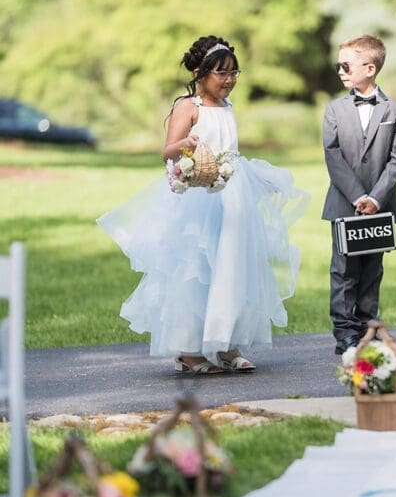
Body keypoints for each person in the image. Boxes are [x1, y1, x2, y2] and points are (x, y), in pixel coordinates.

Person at [98, 35, 309, 375]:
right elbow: (168, 150)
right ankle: (190, 349)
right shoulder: (188, 106)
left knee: (234, 264)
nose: (229, 80)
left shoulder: (227, 108)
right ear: (200, 73)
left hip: (234, 191)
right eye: (221, 73)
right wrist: (187, 144)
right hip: (200, 197)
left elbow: (231, 149)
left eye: (234, 72)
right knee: (198, 269)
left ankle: (226, 343)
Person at [322, 34, 396, 355]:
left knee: (372, 269)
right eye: (339, 65)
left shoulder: (395, 111)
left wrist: (376, 197)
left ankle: (368, 327)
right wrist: (359, 196)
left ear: (369, 68)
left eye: (346, 65)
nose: (341, 71)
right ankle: (344, 332)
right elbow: (333, 156)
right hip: (345, 204)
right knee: (344, 269)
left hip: (381, 205)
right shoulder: (334, 110)